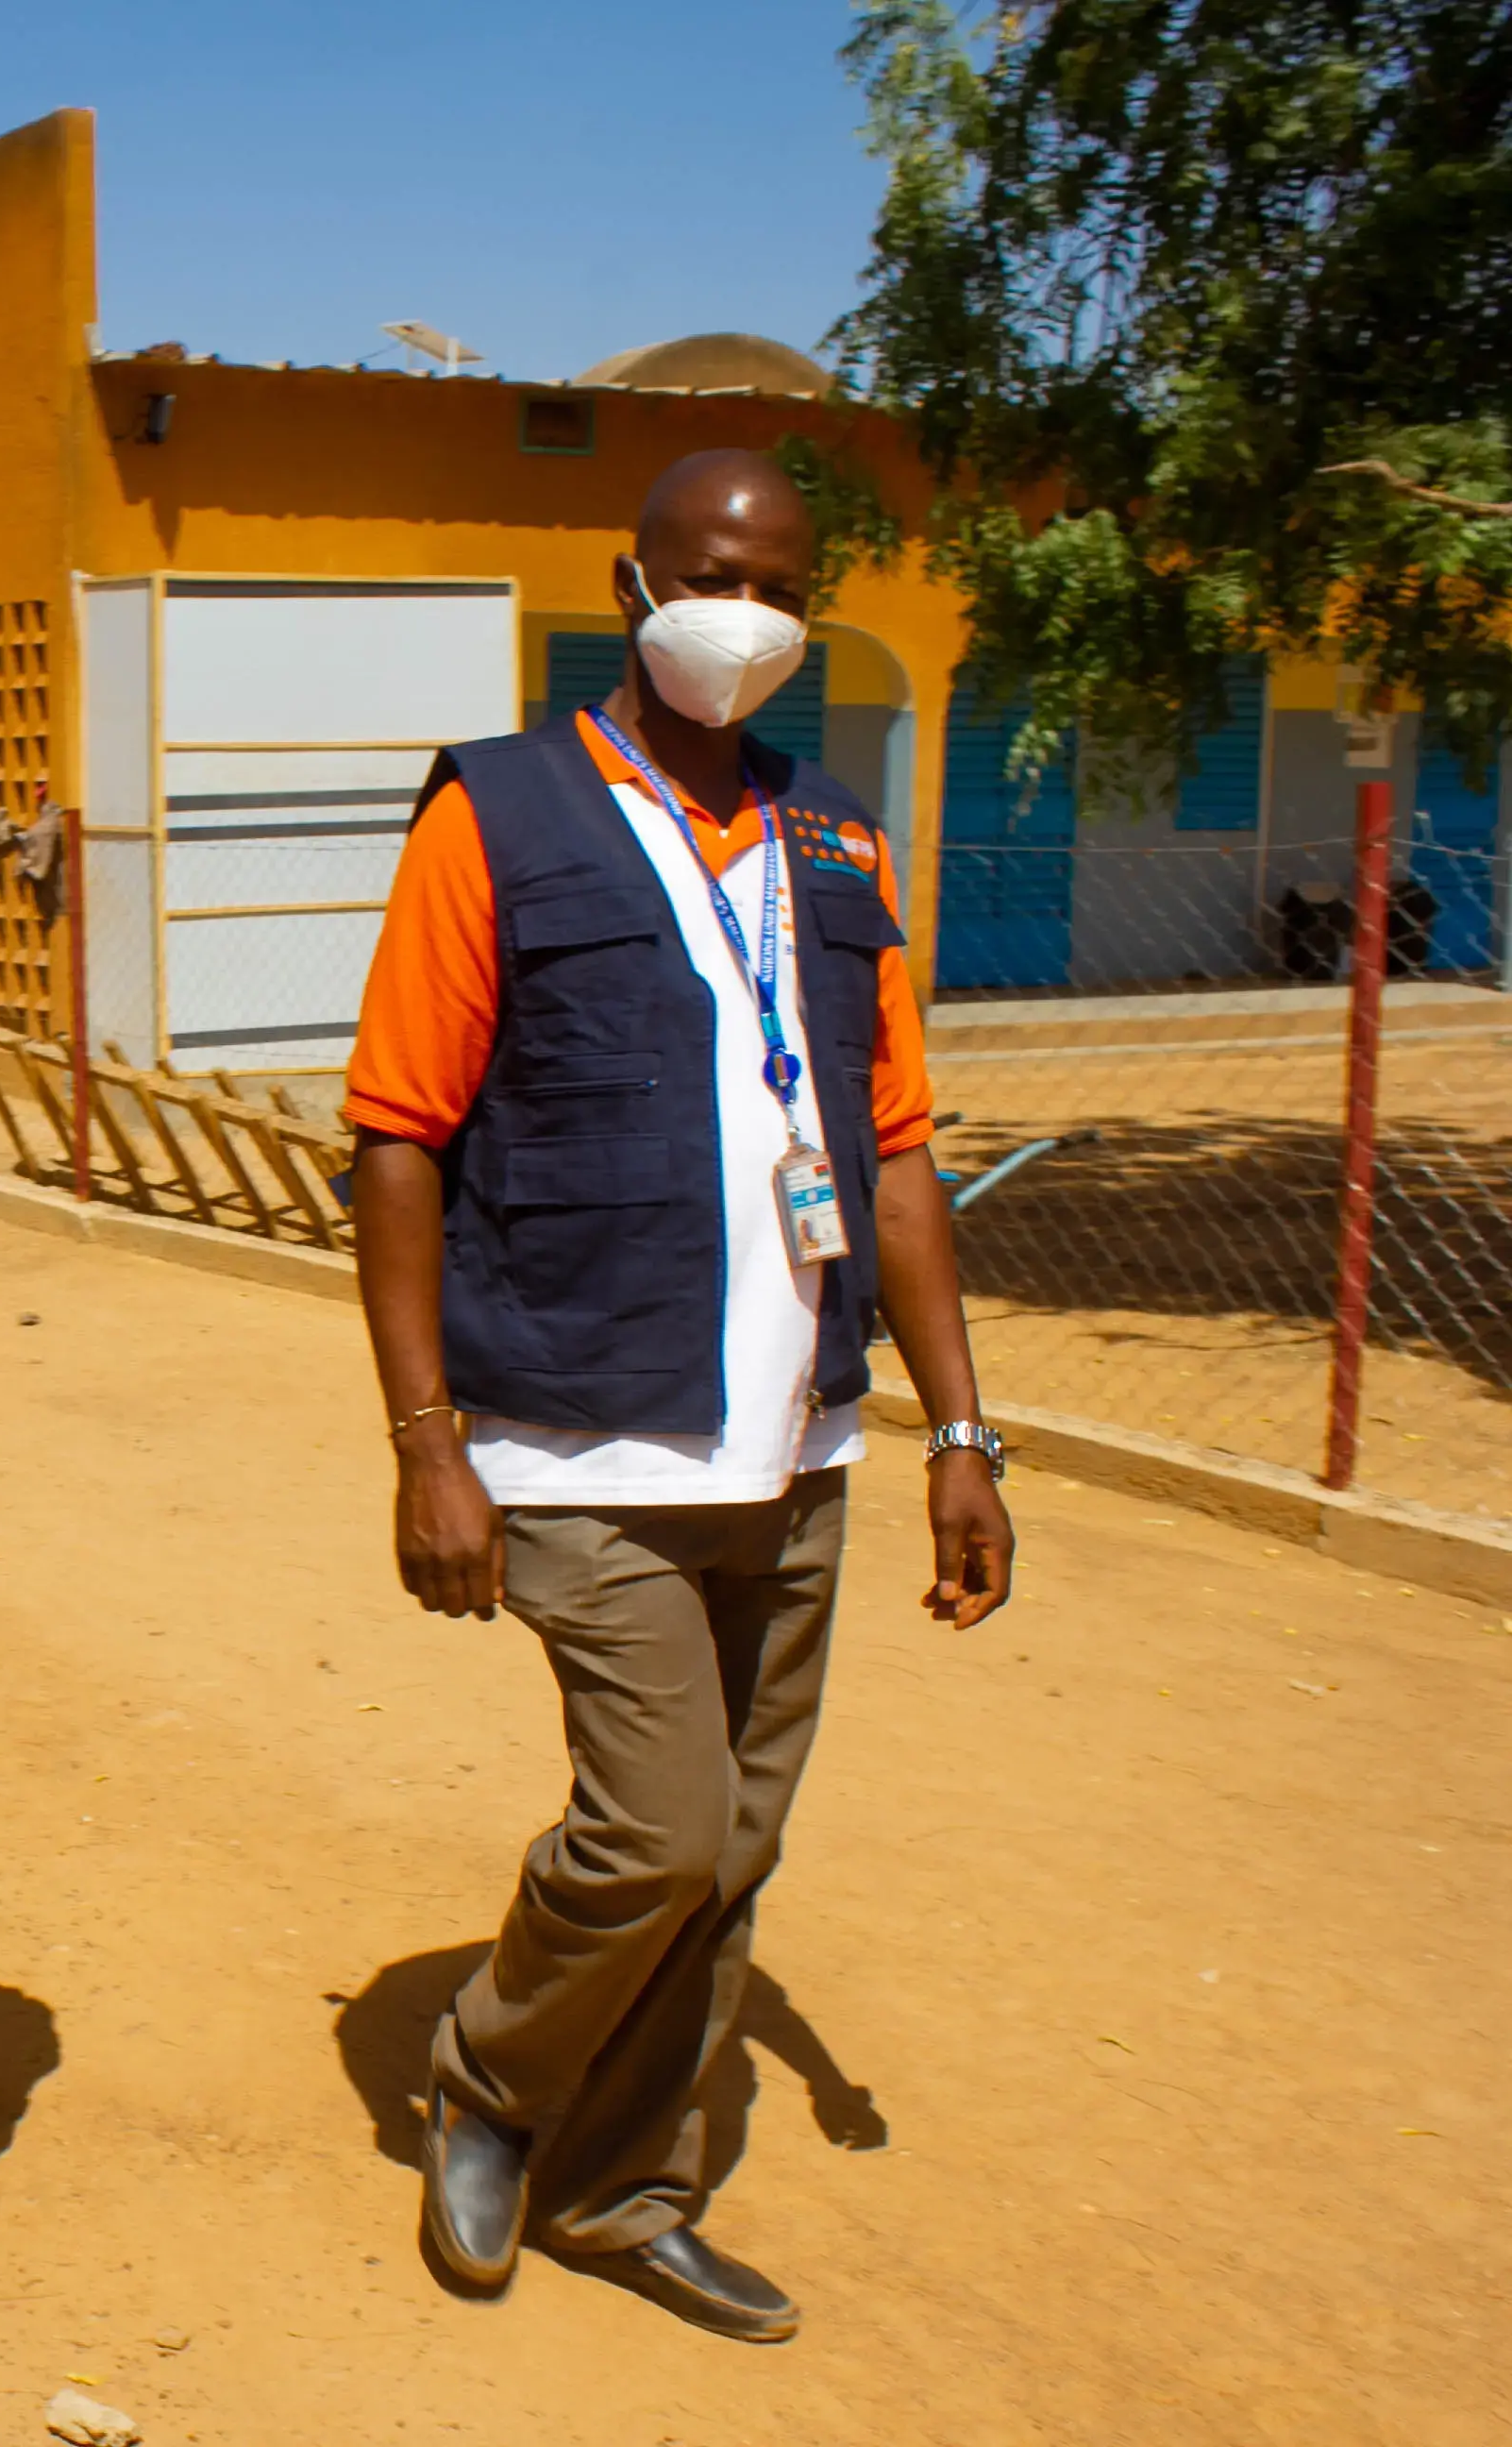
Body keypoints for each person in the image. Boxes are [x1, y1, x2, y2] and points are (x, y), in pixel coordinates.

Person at [345, 451, 1016, 2343]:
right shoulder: (504, 813)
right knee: (659, 1832)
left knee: (739, 1856)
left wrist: (957, 1432)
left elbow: (889, 1156)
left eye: (785, 588)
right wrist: (429, 1446)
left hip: (795, 1446)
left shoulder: (838, 841)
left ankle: (626, 2191)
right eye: (714, 574)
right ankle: (489, 2078)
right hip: (577, 1436)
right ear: (633, 581)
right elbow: (397, 1138)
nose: (746, 614)